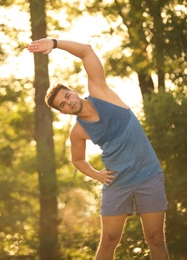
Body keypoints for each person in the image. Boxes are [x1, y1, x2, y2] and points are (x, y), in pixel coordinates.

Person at [28, 38, 169, 260]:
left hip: (148, 176)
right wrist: (97, 175)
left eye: (67, 96)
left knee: (156, 239)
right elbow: (78, 160)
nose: (68, 103)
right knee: (109, 241)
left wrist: (54, 43)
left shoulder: (100, 92)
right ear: (62, 112)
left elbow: (86, 52)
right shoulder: (78, 132)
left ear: (73, 91)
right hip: (117, 183)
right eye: (62, 105)